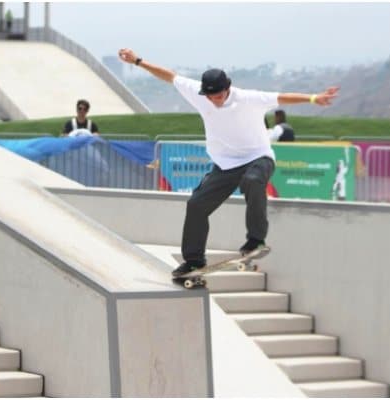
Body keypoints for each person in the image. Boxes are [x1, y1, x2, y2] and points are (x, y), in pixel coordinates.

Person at [118, 47, 339, 277]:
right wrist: (138, 61)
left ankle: (255, 241)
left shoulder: (248, 98)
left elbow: (282, 97)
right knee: (196, 205)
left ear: (228, 89)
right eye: (211, 97)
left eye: (219, 96)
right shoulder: (197, 92)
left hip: (258, 158)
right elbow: (170, 76)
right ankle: (194, 261)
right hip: (225, 166)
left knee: (253, 180)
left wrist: (314, 98)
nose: (215, 101)